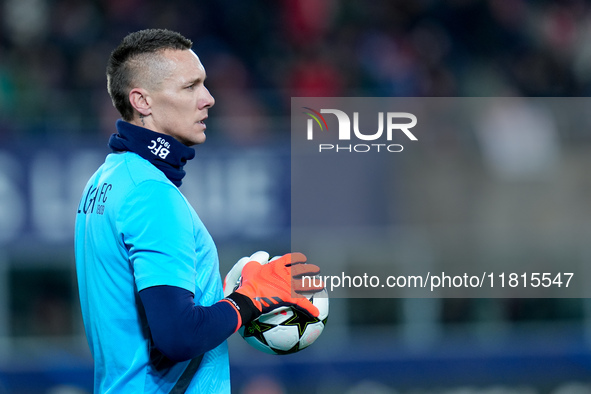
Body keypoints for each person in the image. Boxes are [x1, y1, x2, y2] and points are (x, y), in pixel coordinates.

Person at [74, 28, 322, 393]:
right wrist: (250, 300)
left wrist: (213, 295)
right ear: (142, 101)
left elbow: (145, 307)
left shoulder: (106, 179)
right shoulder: (151, 194)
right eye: (190, 87)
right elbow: (177, 336)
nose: (208, 99)